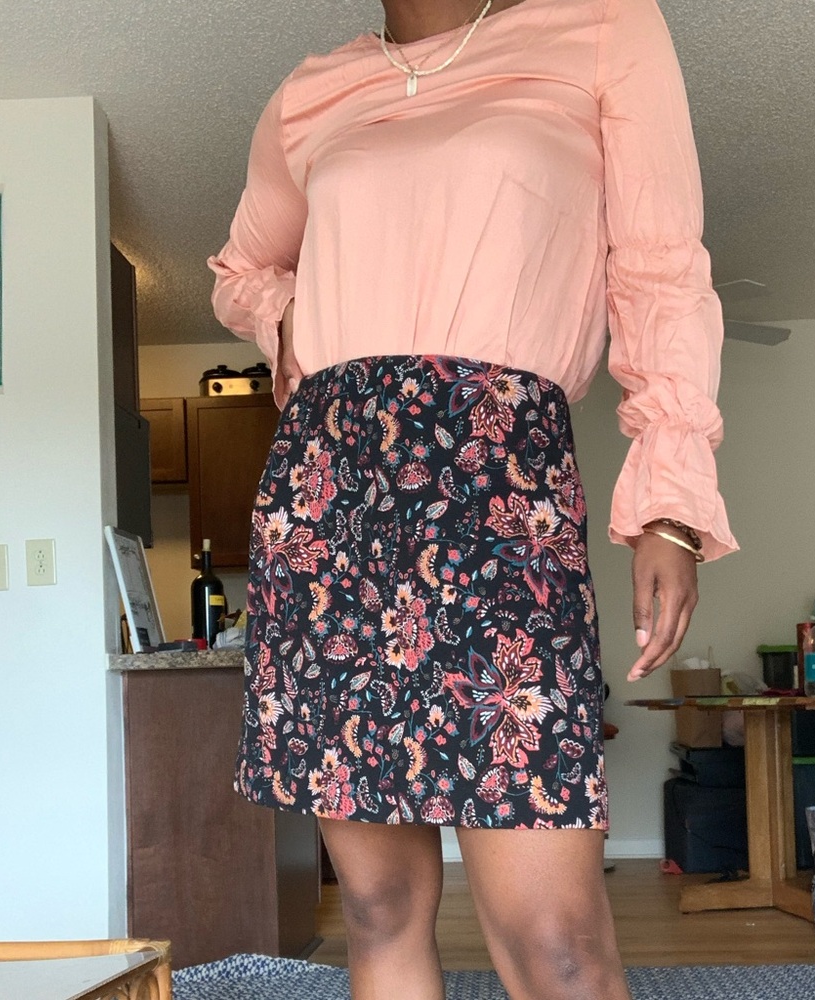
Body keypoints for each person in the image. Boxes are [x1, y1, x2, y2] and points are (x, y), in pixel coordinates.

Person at [208, 0, 737, 997]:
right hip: (331, 497)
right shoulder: (309, 95)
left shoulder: (604, 28)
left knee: (556, 938)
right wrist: (292, 319)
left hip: (502, 489)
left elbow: (661, 273)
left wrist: (670, 500)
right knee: (378, 906)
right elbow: (242, 269)